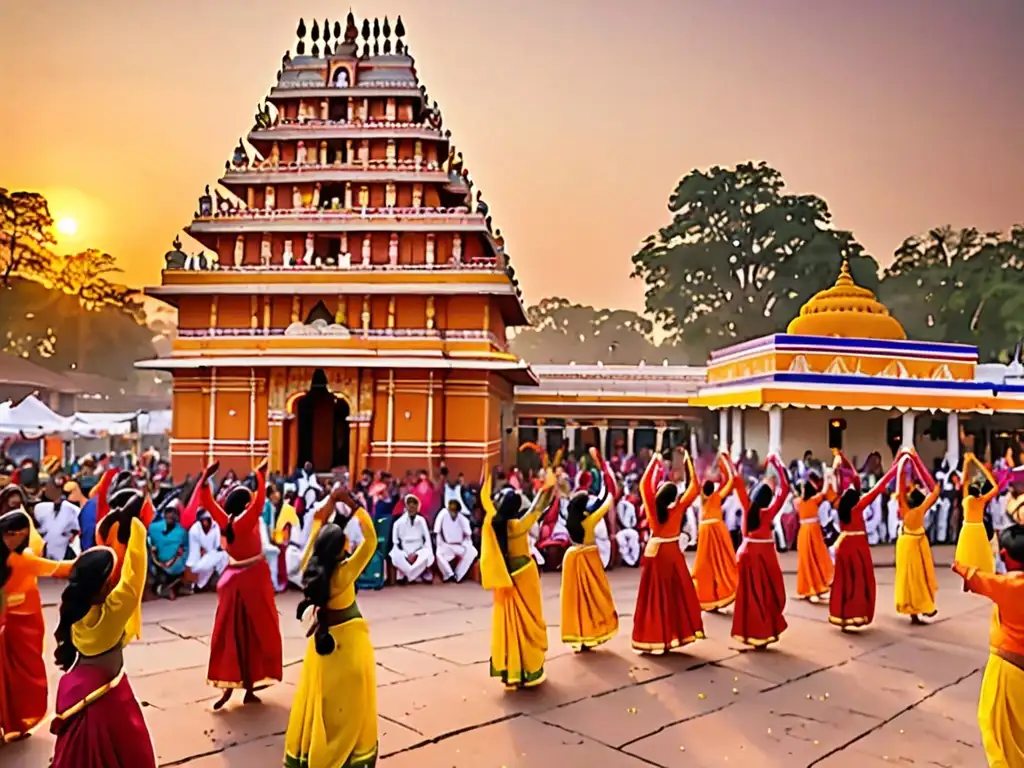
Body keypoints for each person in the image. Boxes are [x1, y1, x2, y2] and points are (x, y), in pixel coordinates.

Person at [49, 506, 157, 767]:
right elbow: (135, 574)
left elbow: (106, 571)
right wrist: (136, 527)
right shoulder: (113, 613)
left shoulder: (75, 607)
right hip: (109, 698)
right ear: (107, 583)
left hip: (80, 688)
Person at [284, 491, 379, 768]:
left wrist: (327, 507)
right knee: (352, 706)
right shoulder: (346, 571)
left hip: (322, 646)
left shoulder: (310, 569)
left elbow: (315, 528)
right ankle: (344, 757)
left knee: (322, 705)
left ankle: (317, 752)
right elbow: (371, 539)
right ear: (340, 549)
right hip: (350, 643)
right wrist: (353, 504)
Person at [199, 459, 283, 710]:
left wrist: (205, 478)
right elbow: (259, 503)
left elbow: (206, 501)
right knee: (259, 631)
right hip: (252, 580)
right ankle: (247, 687)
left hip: (232, 580)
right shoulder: (245, 523)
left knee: (231, 634)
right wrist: (259, 475)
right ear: (244, 505)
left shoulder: (225, 522)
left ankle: (232, 688)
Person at [951, 526, 1024, 768]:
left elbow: (968, 572)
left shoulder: (1008, 586)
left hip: (1007, 668)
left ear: (1004, 555)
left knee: (996, 728)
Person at [0, 509, 73, 743]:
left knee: (20, 676)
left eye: (13, 534)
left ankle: (16, 721)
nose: (9, 538)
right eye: (6, 533)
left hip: (24, 626)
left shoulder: (25, 558)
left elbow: (59, 568)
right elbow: (62, 569)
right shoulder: (23, 559)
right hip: (11, 624)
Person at [481, 469, 555, 689]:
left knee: (509, 625)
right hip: (524, 574)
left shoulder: (493, 522)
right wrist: (548, 485)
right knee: (529, 623)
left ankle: (510, 669)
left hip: (505, 576)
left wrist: (488, 472)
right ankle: (528, 668)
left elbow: (485, 499)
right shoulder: (519, 526)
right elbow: (539, 506)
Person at [631, 451, 704, 654]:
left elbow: (645, 485)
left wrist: (656, 462)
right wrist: (689, 461)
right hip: (672, 554)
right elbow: (695, 487)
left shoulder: (653, 509)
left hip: (656, 554)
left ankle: (655, 636)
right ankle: (672, 634)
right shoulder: (678, 508)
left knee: (654, 598)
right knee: (675, 597)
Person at [828, 451, 899, 630]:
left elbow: (855, 478)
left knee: (843, 582)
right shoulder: (858, 507)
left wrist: (844, 458)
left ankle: (843, 616)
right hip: (857, 546)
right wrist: (896, 465)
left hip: (843, 544)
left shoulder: (841, 506)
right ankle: (857, 614)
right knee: (859, 583)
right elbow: (879, 487)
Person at [560, 450, 618, 651]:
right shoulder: (589, 520)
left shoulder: (572, 519)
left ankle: (579, 635)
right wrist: (604, 470)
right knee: (595, 598)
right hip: (589, 559)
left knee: (576, 601)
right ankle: (593, 631)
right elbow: (607, 499)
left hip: (572, 558)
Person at [731, 454, 790, 648]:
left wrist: (730, 460)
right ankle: (763, 631)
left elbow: (736, 480)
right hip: (763, 555)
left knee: (750, 597)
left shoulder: (748, 509)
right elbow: (786, 489)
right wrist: (777, 464)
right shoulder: (768, 513)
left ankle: (752, 632)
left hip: (746, 554)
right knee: (769, 595)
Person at [893, 450, 941, 623]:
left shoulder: (905, 509)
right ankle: (922, 608)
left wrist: (902, 465)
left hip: (906, 543)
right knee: (920, 577)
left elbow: (899, 488)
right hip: (917, 543)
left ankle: (916, 611)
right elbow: (935, 491)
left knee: (910, 577)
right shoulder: (921, 510)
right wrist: (916, 460)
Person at [692, 453, 739, 612]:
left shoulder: (703, 498)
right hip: (717, 531)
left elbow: (696, 481)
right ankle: (720, 593)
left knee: (706, 567)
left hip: (705, 531)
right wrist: (725, 461)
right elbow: (731, 481)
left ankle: (708, 597)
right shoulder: (717, 497)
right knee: (722, 563)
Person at [955, 452, 998, 575]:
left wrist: (967, 463)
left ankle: (968, 578)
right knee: (980, 555)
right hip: (979, 528)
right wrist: (976, 461)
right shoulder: (981, 500)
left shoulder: (966, 500)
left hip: (968, 528)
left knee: (968, 556)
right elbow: (995, 487)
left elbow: (965, 480)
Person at [795, 472, 834, 602]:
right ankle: (810, 589)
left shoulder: (803, 501)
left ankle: (819, 588)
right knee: (807, 561)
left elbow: (822, 493)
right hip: (807, 533)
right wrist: (828, 479)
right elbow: (822, 491)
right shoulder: (803, 501)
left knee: (817, 559)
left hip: (813, 533)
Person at [147, 499, 188, 599]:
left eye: (173, 514)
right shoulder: (153, 528)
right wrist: (151, 546)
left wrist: (175, 560)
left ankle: (173, 585)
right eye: (168, 513)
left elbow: (185, 549)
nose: (170, 516)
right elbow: (147, 538)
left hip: (175, 565)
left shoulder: (182, 532)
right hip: (156, 564)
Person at [390, 495, 434, 583]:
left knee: (426, 554)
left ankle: (409, 575)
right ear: (406, 507)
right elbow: (395, 542)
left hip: (419, 548)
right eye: (409, 506)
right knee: (395, 555)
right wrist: (406, 555)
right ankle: (414, 575)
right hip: (404, 548)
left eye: (414, 506)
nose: (411, 508)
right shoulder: (397, 522)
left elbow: (427, 539)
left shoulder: (422, 520)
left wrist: (416, 553)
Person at [33, 483, 81, 561]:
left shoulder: (72, 510)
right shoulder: (40, 508)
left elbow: (78, 530)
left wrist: (70, 536)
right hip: (44, 551)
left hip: (64, 551)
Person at [434, 498, 478, 582]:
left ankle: (458, 575)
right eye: (451, 510)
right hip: (445, 545)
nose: (453, 513)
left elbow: (468, 535)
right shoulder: (443, 514)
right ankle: (448, 574)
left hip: (458, 545)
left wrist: (467, 546)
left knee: (473, 552)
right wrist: (439, 544)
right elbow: (437, 531)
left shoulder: (462, 519)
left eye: (455, 511)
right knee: (438, 554)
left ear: (458, 511)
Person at [186, 510, 229, 591]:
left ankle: (198, 586)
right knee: (221, 556)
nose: (205, 522)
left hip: (211, 557)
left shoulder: (215, 526)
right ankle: (225, 583)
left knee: (222, 556)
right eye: (203, 520)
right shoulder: (194, 530)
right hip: (196, 563)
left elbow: (218, 546)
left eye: (207, 519)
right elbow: (194, 553)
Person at [615, 492, 641, 567]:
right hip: (625, 530)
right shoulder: (622, 503)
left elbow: (632, 522)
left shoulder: (630, 505)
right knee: (623, 540)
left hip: (630, 530)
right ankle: (630, 560)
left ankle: (632, 560)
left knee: (631, 540)